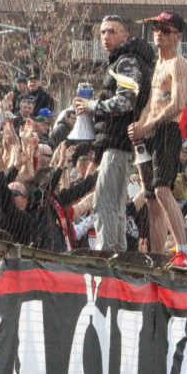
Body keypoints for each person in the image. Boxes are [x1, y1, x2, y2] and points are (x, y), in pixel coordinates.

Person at [73, 14, 154, 252]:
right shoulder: (122, 60)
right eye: (102, 32)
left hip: (118, 143)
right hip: (117, 142)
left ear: (125, 35)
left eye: (112, 31)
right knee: (115, 203)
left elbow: (126, 101)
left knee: (105, 201)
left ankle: (108, 252)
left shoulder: (126, 61)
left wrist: (92, 106)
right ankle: (117, 252)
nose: (105, 36)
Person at [129, 11, 187, 270]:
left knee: (162, 189)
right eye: (156, 28)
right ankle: (157, 256)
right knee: (150, 198)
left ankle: (183, 251)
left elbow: (178, 103)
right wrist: (139, 126)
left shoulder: (179, 63)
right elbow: (151, 103)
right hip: (150, 131)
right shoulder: (157, 65)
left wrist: (149, 125)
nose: (158, 33)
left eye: (165, 30)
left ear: (178, 36)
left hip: (167, 129)